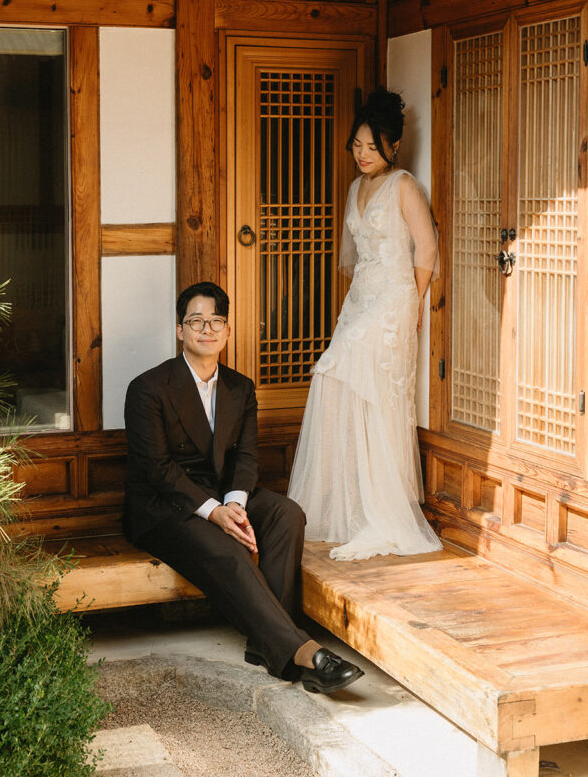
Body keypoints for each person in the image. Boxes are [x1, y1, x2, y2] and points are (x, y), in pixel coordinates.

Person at [123, 281, 364, 694]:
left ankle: (265, 642)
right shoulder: (148, 388)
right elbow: (158, 470)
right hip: (165, 507)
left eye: (216, 321)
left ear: (228, 331)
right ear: (180, 330)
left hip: (223, 493)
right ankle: (304, 653)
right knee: (228, 548)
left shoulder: (240, 387)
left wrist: (234, 504)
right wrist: (214, 512)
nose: (207, 329)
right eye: (196, 321)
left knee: (288, 514)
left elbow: (247, 457)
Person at [288, 89, 443, 561]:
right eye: (357, 145)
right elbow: (351, 258)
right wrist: (358, 300)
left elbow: (426, 247)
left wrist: (414, 304)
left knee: (360, 384)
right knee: (338, 381)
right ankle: (351, 501)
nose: (362, 153)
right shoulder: (355, 188)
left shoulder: (404, 185)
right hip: (359, 301)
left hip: (395, 300)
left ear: (393, 146)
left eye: (372, 146)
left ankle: (384, 506)